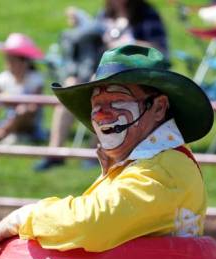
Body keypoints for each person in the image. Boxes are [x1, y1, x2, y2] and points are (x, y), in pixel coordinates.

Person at [0, 44, 214, 259]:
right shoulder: (149, 163)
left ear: (159, 108)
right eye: (97, 104)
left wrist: (25, 218)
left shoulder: (163, 171)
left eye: (117, 100)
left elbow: (92, 224)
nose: (102, 115)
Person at [34, 0, 168, 171]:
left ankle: (98, 151)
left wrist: (126, 45)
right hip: (100, 68)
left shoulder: (147, 15)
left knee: (98, 89)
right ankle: (55, 152)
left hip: (133, 74)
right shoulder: (105, 14)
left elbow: (160, 51)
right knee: (70, 84)